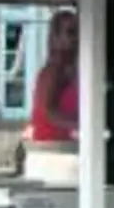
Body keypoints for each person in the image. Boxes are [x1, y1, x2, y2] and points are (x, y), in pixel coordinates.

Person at [28, 10, 79, 142]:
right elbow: (49, 113)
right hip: (51, 148)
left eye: (78, 32)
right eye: (71, 32)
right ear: (56, 37)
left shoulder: (69, 70)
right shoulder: (53, 71)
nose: (76, 38)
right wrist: (84, 124)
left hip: (64, 145)